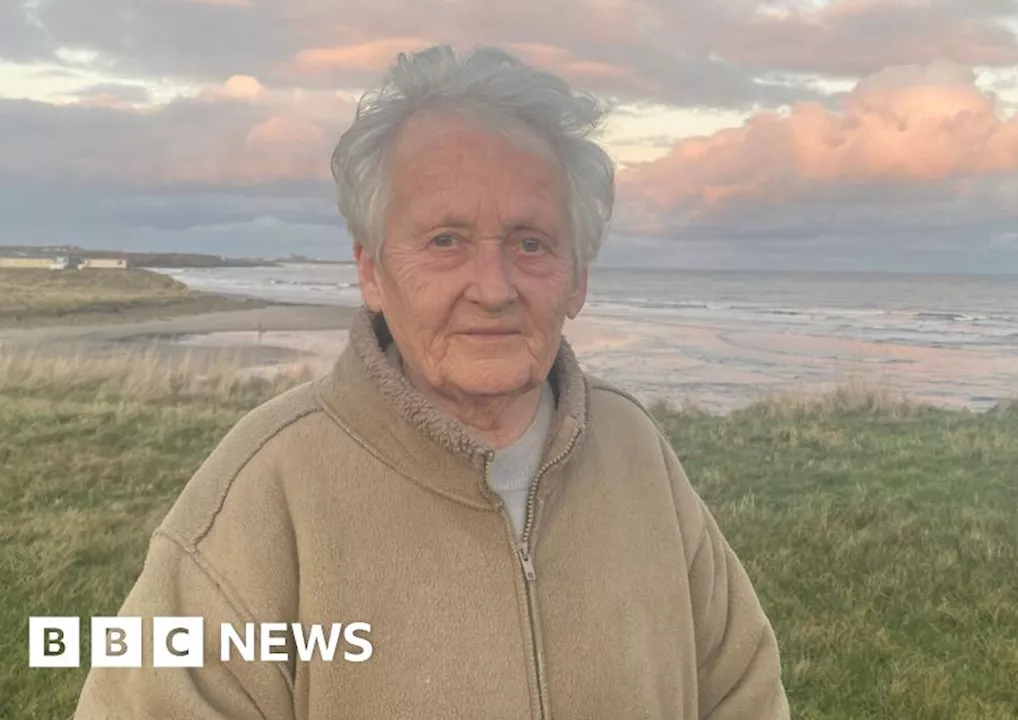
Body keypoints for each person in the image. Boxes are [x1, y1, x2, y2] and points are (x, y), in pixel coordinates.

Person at [74, 44, 789, 719]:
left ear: (577, 280)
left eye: (531, 243)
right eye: (445, 241)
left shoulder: (637, 452)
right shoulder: (261, 494)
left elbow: (743, 689)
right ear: (371, 272)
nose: (493, 286)